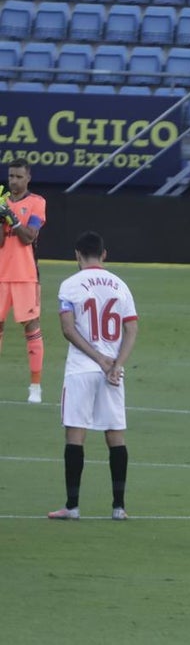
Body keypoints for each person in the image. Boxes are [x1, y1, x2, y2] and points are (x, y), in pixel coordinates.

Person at [48, 231, 139, 521]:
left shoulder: (70, 284)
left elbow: (67, 328)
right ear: (104, 255)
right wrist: (115, 365)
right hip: (112, 371)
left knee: (76, 434)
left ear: (77, 255)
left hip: (81, 369)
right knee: (115, 436)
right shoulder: (120, 285)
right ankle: (119, 507)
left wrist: (98, 358)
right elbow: (132, 329)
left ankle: (72, 507)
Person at [0, 158, 47, 404]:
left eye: (18, 176)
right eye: (10, 176)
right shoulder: (2, 202)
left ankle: (35, 386)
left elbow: (29, 237)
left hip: (25, 275)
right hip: (1, 275)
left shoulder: (37, 203)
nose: (14, 181)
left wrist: (12, 217)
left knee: (31, 327)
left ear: (28, 178)